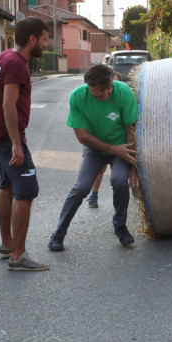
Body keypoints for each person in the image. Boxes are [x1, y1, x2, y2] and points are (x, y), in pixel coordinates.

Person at [48, 64, 139, 251]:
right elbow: (82, 136)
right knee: (81, 187)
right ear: (89, 87)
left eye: (108, 89)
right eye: (100, 92)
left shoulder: (123, 92)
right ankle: (58, 234)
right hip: (95, 149)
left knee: (120, 181)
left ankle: (120, 227)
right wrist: (112, 149)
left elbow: (131, 130)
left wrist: (135, 168)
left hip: (122, 147)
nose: (105, 95)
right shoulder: (77, 98)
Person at [0, 17, 50, 271]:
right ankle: (19, 256)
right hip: (5, 138)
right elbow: (8, 104)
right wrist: (16, 143)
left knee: (7, 186)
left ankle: (7, 244)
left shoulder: (4, 57)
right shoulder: (17, 65)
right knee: (27, 191)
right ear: (32, 39)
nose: (45, 44)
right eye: (44, 39)